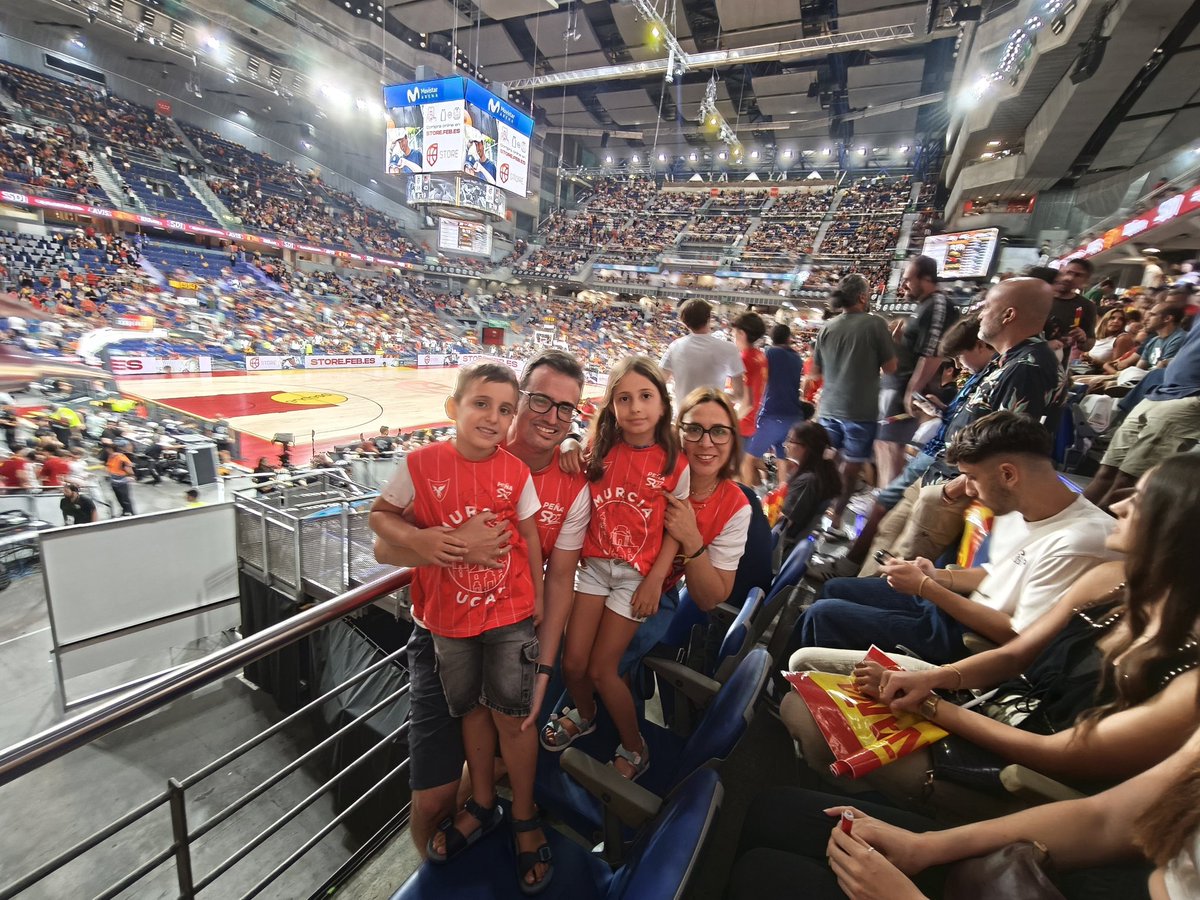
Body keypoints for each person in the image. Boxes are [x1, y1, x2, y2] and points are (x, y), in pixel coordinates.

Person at [374, 350, 589, 874]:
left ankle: (511, 812)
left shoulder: (563, 478)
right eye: (540, 400)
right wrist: (447, 544)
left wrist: (544, 669)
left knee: (503, 738)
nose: (551, 417)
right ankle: (435, 872)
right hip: (441, 630)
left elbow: (557, 575)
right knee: (431, 801)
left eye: (566, 410)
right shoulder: (436, 461)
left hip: (510, 625)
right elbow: (384, 547)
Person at [727, 724, 1200, 900]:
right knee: (780, 811)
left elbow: (1057, 753)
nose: (1119, 507)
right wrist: (926, 847)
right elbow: (1104, 818)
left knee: (765, 875)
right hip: (1054, 877)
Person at [792, 411, 1117, 662]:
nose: (968, 490)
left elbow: (1016, 635)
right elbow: (1000, 574)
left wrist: (926, 588)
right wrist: (938, 577)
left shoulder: (1079, 540)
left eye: (972, 478)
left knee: (826, 616)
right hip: (956, 611)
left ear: (1008, 474)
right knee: (836, 588)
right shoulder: (1027, 506)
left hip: (969, 639)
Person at [820, 277, 1066, 576]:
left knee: (903, 558)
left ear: (1008, 315)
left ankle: (852, 605)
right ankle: (850, 590)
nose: (980, 314)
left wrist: (954, 488)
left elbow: (1011, 448)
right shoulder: (1009, 359)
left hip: (955, 481)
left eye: (988, 306)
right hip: (940, 468)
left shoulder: (1029, 366)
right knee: (887, 535)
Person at [540, 356, 689, 783]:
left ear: (662, 404)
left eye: (645, 397)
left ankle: (635, 747)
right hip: (595, 569)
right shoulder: (600, 450)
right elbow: (571, 455)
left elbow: (677, 530)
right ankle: (584, 715)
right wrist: (568, 444)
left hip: (635, 577)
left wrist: (656, 579)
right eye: (624, 399)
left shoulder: (674, 462)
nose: (636, 407)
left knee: (604, 669)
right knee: (572, 664)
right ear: (612, 407)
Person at [804, 273, 898, 535]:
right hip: (861, 411)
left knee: (826, 467)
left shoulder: (827, 328)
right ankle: (835, 519)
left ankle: (812, 515)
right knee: (850, 469)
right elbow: (891, 369)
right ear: (863, 296)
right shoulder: (876, 324)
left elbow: (816, 373)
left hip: (829, 409)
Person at [1085, 309, 1200, 511]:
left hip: (1186, 400)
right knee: (1106, 471)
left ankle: (1094, 533)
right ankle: (1066, 525)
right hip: (1159, 392)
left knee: (1128, 480)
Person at [662, 388, 752, 610]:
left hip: (656, 597)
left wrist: (691, 538)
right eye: (694, 429)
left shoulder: (735, 507)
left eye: (719, 431)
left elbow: (710, 599)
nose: (706, 442)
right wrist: (571, 445)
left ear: (733, 439)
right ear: (678, 433)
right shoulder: (650, 466)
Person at [876, 256, 959, 487]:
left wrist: (913, 390)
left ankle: (889, 501)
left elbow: (933, 353)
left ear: (926, 278)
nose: (904, 285)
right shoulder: (923, 305)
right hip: (895, 383)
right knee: (883, 442)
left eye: (908, 279)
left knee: (892, 445)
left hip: (905, 386)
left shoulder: (938, 304)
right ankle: (885, 494)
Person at [744, 323, 807, 485]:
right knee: (781, 455)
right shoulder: (797, 358)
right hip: (793, 415)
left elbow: (760, 380)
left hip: (773, 413)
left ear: (771, 338)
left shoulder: (770, 353)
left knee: (747, 458)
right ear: (788, 338)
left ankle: (748, 498)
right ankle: (781, 492)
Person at [659, 299, 745, 406]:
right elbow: (739, 395)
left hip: (683, 417)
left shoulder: (674, 347)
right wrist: (714, 396)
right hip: (715, 417)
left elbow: (659, 382)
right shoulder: (729, 349)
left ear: (685, 323)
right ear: (709, 318)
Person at [776, 421, 842, 559]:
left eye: (790, 440)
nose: (785, 444)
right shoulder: (821, 474)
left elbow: (783, 523)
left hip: (777, 545)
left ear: (806, 447)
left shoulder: (807, 481)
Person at [732, 312, 769, 485]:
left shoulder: (744, 359)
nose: (733, 336)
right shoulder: (760, 356)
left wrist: (729, 422)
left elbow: (746, 402)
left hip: (742, 424)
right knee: (743, 470)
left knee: (735, 474)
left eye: (734, 332)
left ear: (741, 333)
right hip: (753, 421)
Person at [1045, 256, 1098, 363]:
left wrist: (1082, 338)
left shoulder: (1086, 306)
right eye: (1068, 272)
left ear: (1085, 281)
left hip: (1057, 365)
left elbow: (1089, 343)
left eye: (1077, 275)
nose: (1069, 278)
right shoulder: (1038, 296)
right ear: (1062, 270)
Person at [1080, 307, 1135, 371]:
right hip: (1086, 368)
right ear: (1105, 320)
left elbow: (1116, 366)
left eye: (1121, 319)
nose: (1116, 321)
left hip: (1103, 374)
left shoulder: (1122, 338)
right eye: (1112, 318)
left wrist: (1094, 361)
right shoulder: (1096, 333)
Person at [106, 441, 135, 516]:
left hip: (120, 482)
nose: (106, 450)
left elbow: (129, 470)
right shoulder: (113, 456)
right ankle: (126, 511)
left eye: (107, 449)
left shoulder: (121, 458)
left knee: (124, 499)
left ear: (111, 449)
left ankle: (129, 513)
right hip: (116, 482)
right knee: (122, 499)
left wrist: (130, 476)